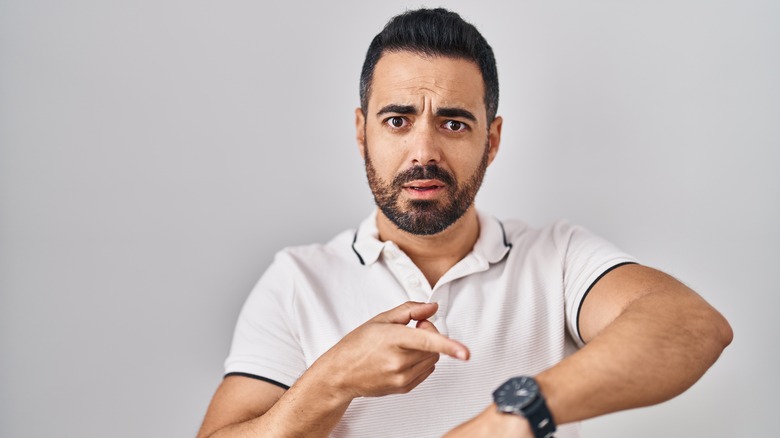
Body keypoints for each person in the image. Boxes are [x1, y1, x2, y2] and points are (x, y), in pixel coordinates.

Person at [197, 8, 732, 438]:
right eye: (398, 120)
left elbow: (691, 325)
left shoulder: (558, 258)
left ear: (491, 140)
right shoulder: (296, 280)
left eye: (453, 122)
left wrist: (510, 416)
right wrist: (333, 380)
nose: (423, 151)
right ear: (362, 131)